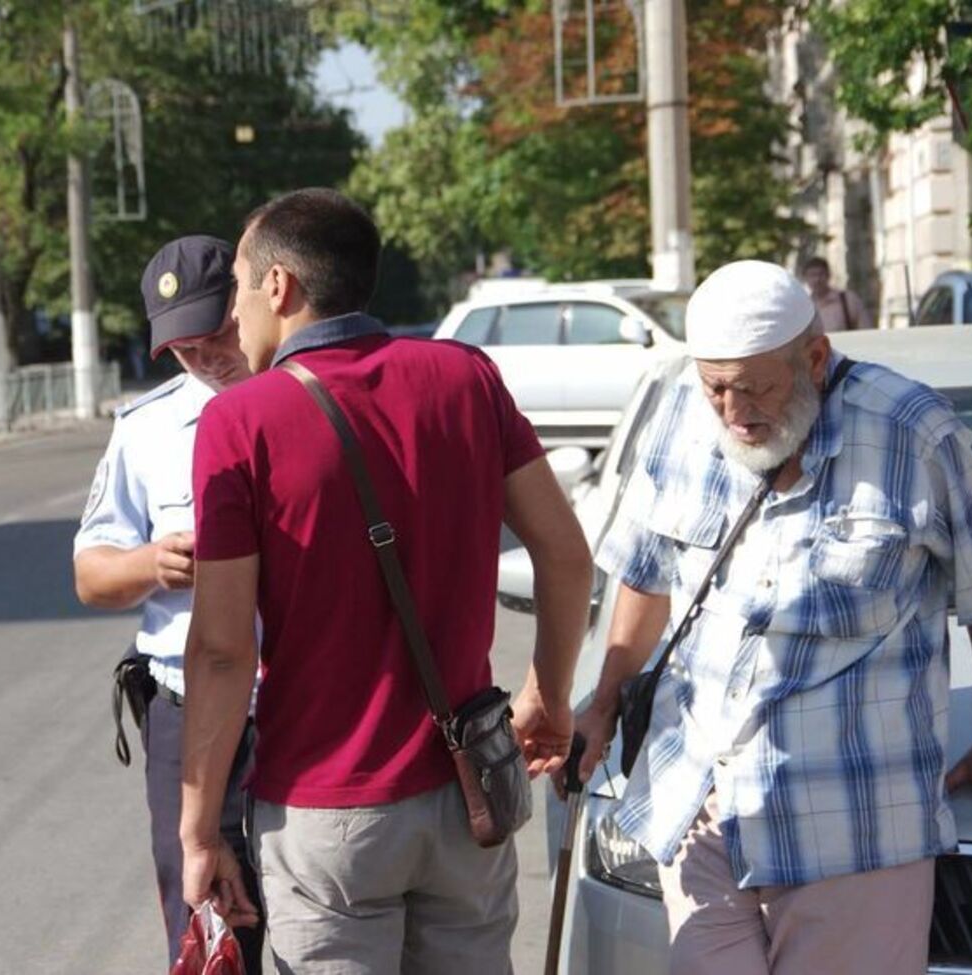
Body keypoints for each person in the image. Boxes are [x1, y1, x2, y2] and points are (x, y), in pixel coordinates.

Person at [178, 188, 593, 972]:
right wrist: (548, 693)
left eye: (237, 285)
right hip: (467, 794)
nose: (232, 313)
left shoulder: (240, 422)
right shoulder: (466, 377)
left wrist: (200, 829)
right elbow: (567, 555)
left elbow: (223, 650)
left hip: (325, 811)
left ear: (279, 287)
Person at [572, 260, 972, 974]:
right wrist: (604, 697)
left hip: (853, 827)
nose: (734, 410)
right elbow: (644, 571)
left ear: (815, 357)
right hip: (702, 804)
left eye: (756, 385)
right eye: (717, 386)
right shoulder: (680, 416)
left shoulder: (914, 433)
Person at [72, 236, 265, 970]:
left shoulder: (310, 404)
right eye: (184, 349)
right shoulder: (146, 429)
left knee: (321, 918)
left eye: (218, 333)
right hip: (190, 714)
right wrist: (154, 562)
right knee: (207, 925)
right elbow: (91, 574)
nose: (209, 357)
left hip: (304, 707)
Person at [801, 255, 874, 331]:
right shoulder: (804, 308)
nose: (817, 279)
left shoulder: (848, 300)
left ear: (828, 275)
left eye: (821, 274)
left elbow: (866, 330)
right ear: (805, 278)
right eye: (812, 275)